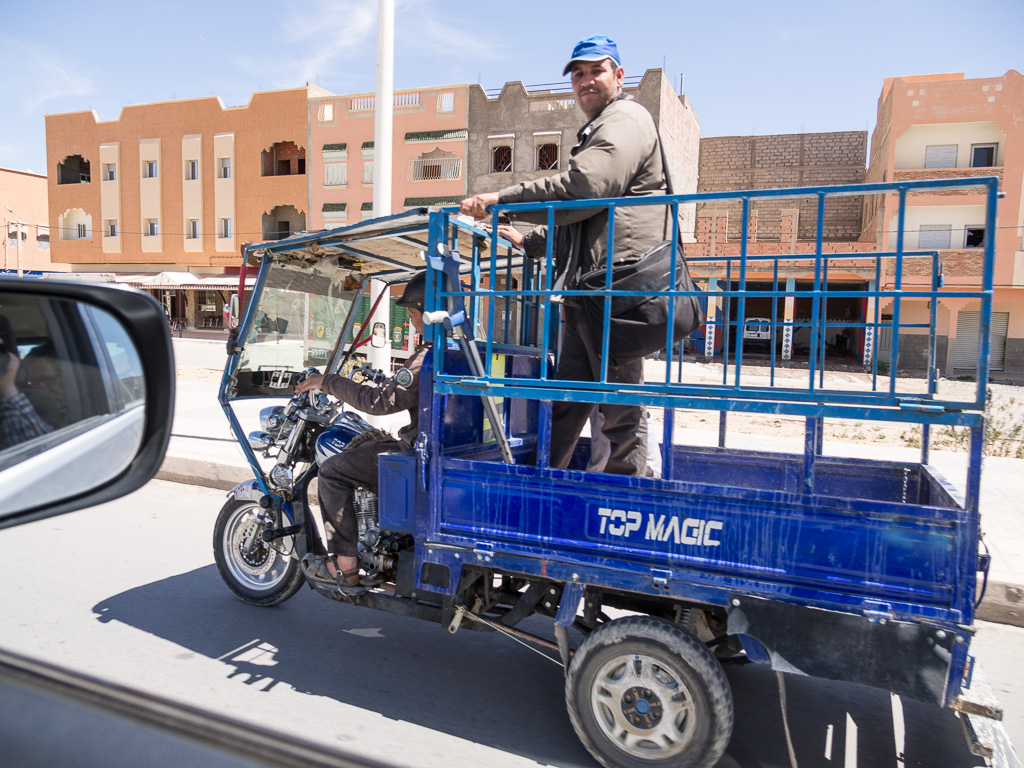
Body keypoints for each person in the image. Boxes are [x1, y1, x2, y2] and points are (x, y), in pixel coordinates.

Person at [460, 34, 670, 476]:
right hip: (590, 290)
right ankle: (536, 487)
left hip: (619, 289)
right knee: (567, 400)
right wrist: (529, 242)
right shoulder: (601, 128)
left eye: (596, 70)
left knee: (619, 410)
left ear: (619, 75)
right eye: (578, 74)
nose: (586, 80)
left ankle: (623, 506)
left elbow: (586, 189)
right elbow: (581, 222)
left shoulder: (626, 118)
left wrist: (502, 197)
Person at [296, 273, 428, 595]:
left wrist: (326, 382)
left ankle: (345, 566)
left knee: (332, 471)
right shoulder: (466, 349)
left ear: (429, 312)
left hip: (421, 454)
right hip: (439, 447)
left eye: (412, 314)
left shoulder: (428, 356)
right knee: (377, 441)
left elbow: (378, 401)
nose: (411, 322)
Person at [0, 318, 53, 451]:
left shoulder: (41, 402)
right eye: (35, 380)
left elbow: (41, 452)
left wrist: (7, 388)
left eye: (49, 379)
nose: (41, 386)